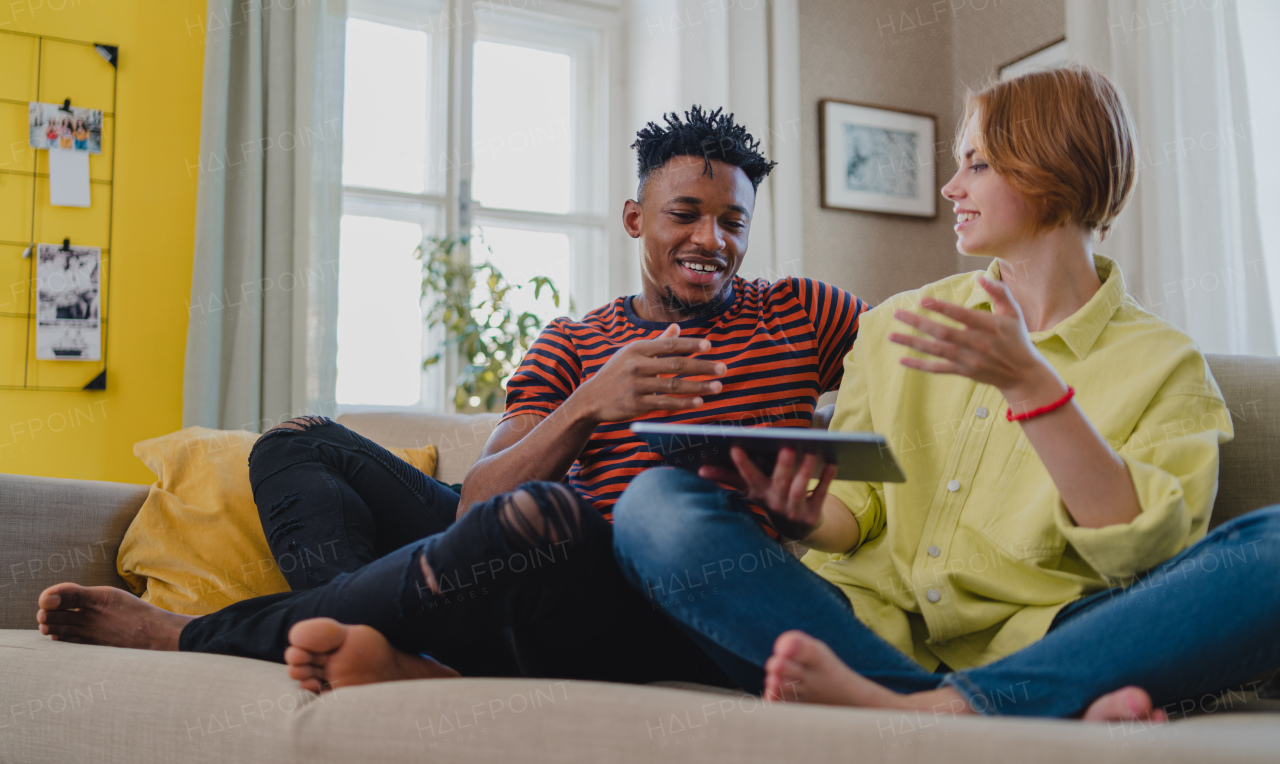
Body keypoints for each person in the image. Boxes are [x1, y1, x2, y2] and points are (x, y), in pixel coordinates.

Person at [36, 106, 869, 692]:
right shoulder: (574, 342)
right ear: (633, 217)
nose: (711, 242)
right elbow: (480, 499)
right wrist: (588, 405)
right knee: (299, 441)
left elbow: (925, 367)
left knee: (553, 520)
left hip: (647, 595)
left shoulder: (800, 311)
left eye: (734, 221)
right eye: (685, 214)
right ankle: (379, 638)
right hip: (513, 565)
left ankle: (206, 634)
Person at [609, 66, 1280, 721]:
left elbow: (1150, 558)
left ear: (1052, 167)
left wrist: (1032, 386)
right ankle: (1016, 706)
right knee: (654, 507)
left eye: (978, 164)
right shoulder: (896, 323)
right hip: (861, 633)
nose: (951, 186)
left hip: (1054, 633)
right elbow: (858, 509)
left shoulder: (1165, 364)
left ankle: (942, 710)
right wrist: (802, 516)